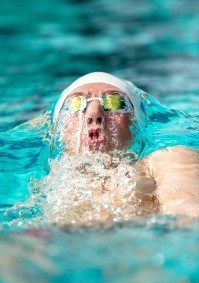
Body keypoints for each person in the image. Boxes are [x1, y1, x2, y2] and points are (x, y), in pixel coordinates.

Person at [53, 72, 199, 217]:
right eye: (75, 105)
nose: (94, 113)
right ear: (60, 129)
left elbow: (188, 213)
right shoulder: (50, 181)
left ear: (135, 124)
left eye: (115, 102)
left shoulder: (167, 159)